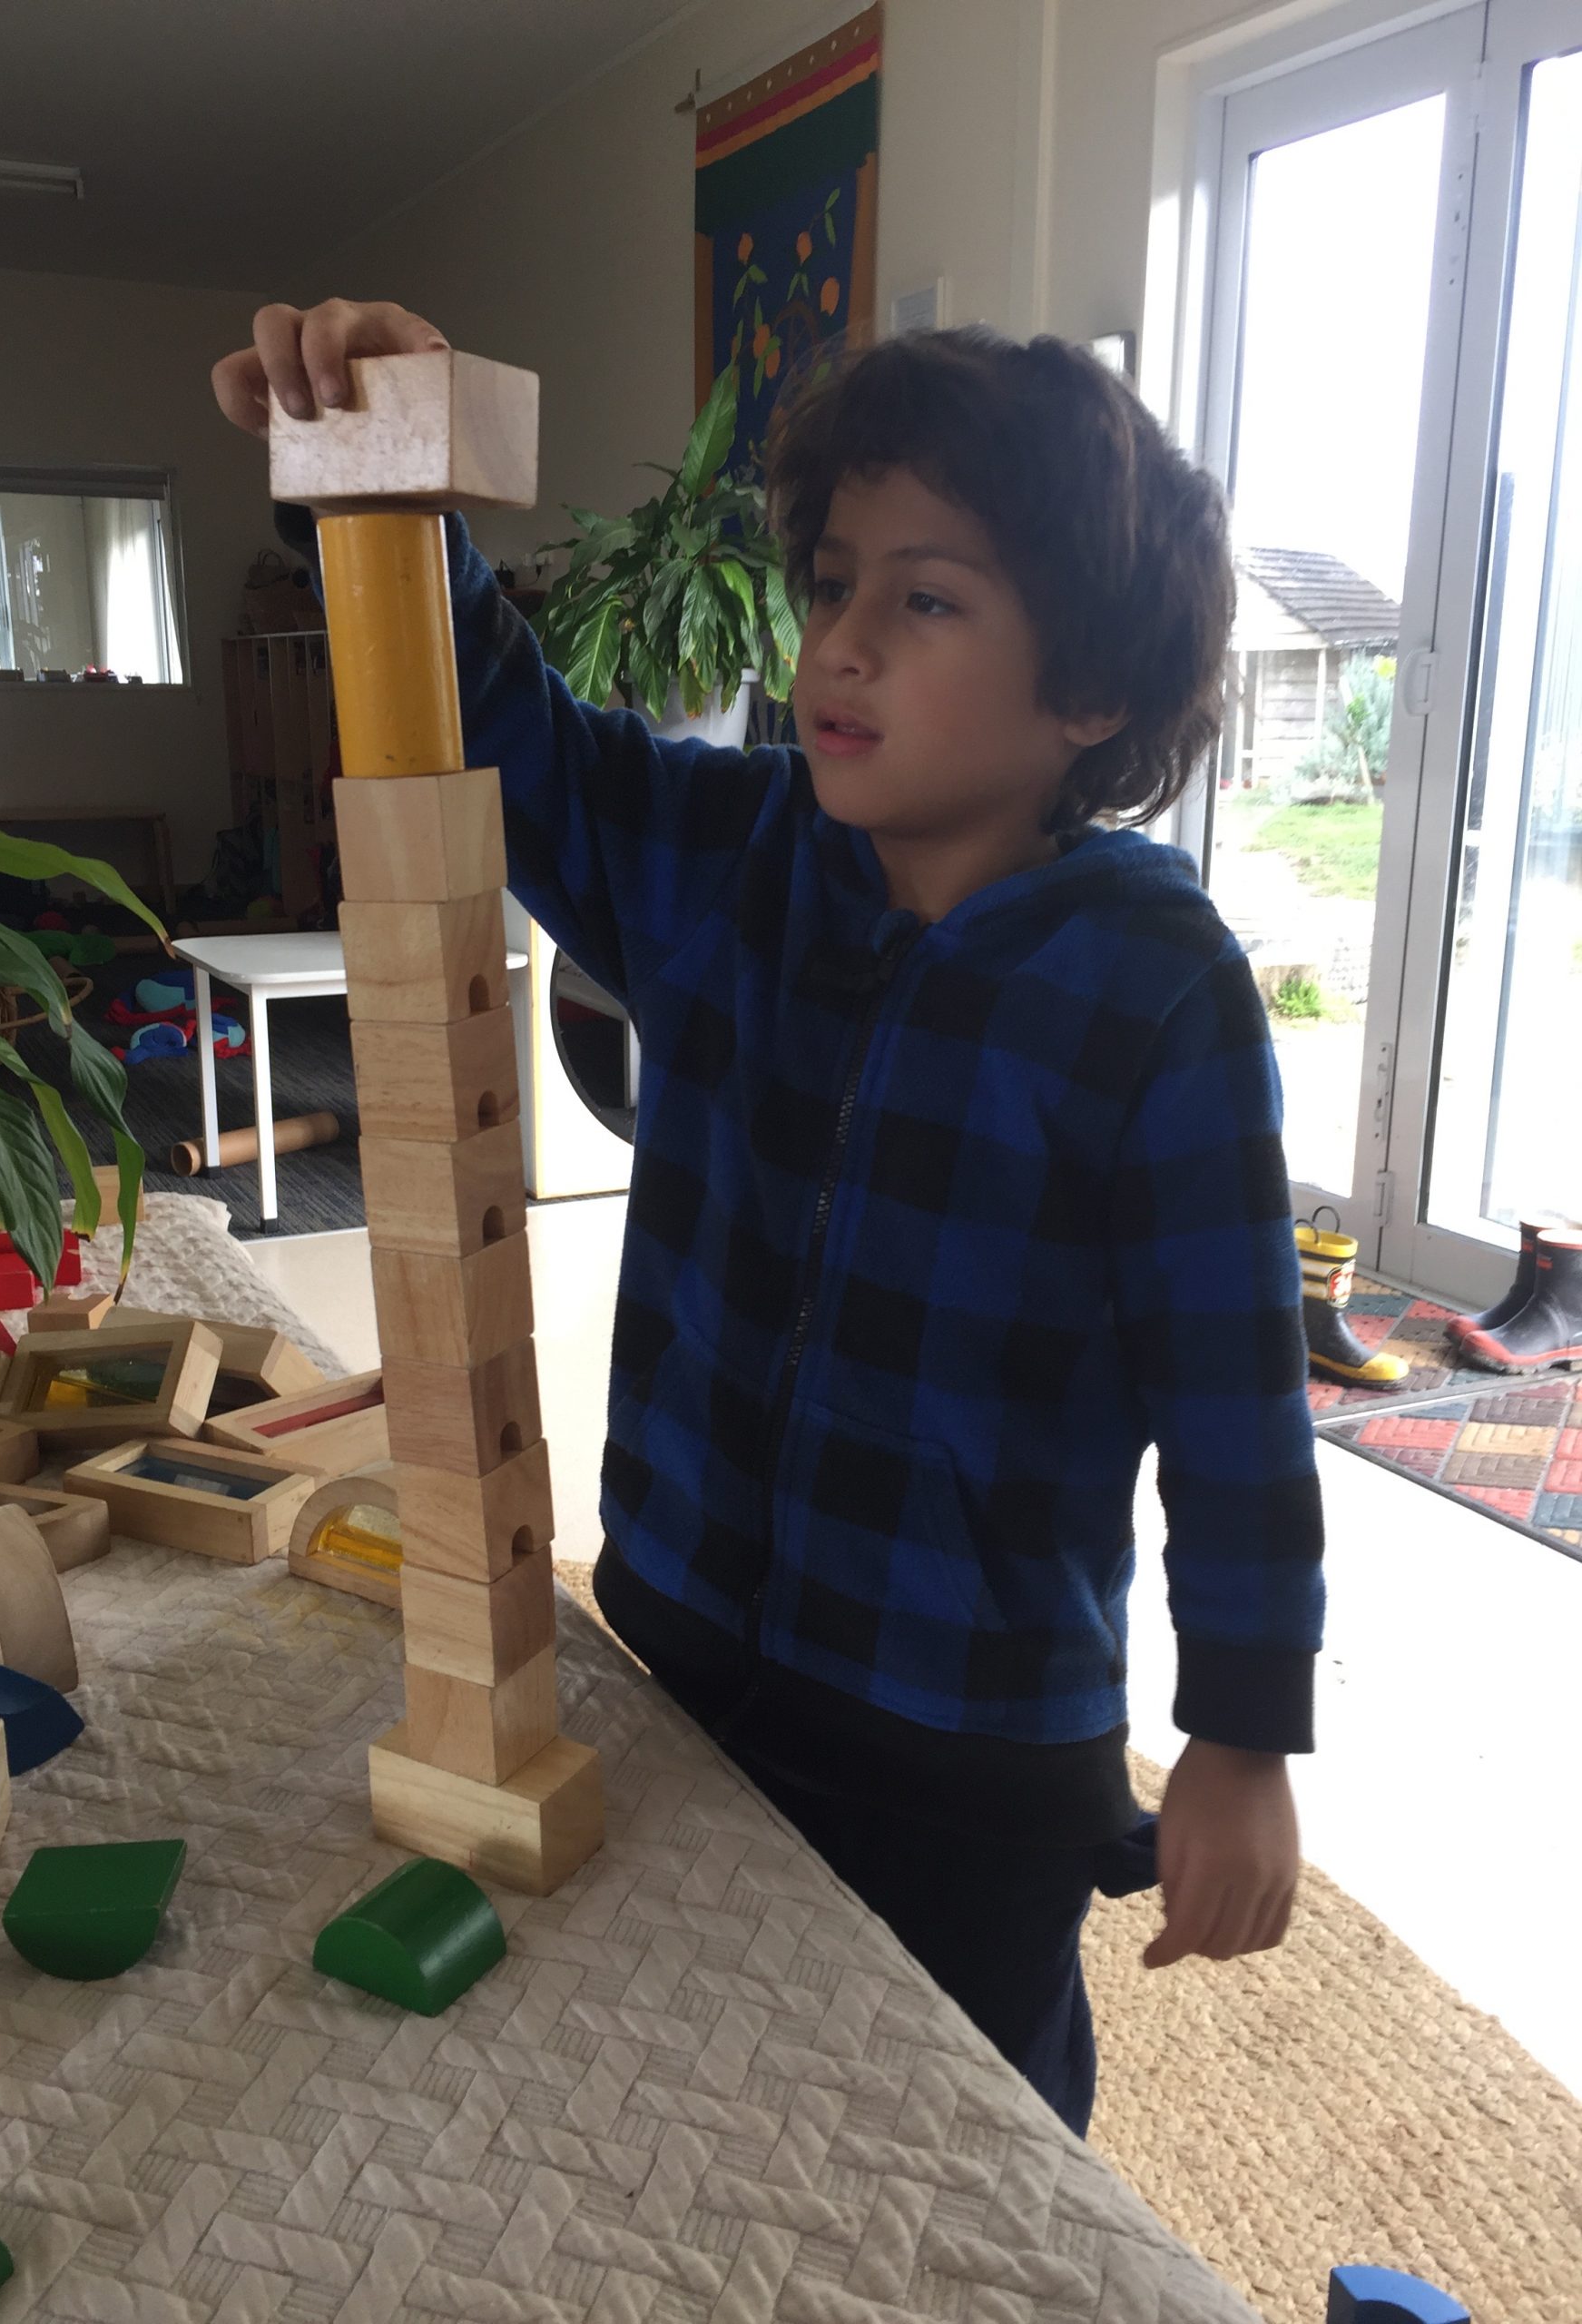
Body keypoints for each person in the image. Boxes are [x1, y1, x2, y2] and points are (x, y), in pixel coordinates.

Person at [214, 300, 1323, 2138]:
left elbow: (1238, 1401)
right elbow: (526, 752)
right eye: (831, 581)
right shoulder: (726, 855)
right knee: (693, 2071)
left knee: (956, 2132)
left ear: (1092, 692)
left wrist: (1243, 1728)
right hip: (687, 1645)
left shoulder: (1155, 985)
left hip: (966, 1733)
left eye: (931, 599)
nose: (844, 641)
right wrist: (379, 487)